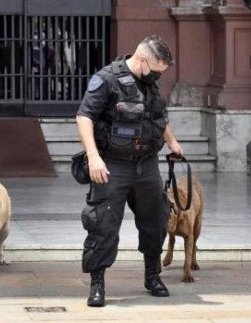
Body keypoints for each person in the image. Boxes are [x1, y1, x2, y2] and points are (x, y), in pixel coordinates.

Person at [75, 34, 184, 307]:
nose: (158, 77)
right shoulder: (107, 79)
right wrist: (94, 157)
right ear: (144, 61)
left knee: (156, 219)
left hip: (146, 164)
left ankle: (152, 275)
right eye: (157, 70)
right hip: (112, 164)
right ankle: (97, 284)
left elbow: (156, 115)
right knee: (103, 224)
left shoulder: (149, 82)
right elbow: (84, 116)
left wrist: (171, 142)